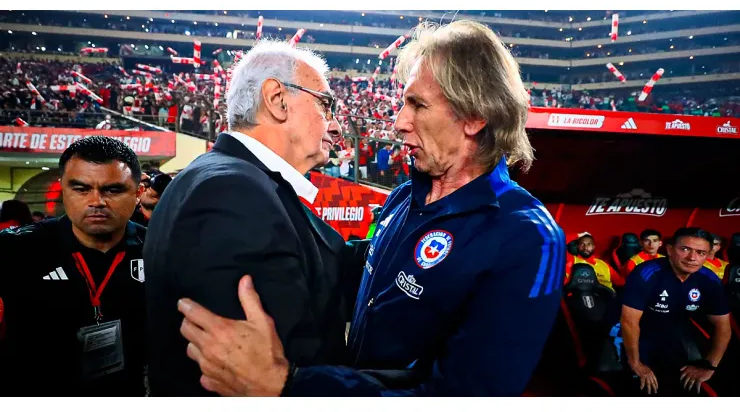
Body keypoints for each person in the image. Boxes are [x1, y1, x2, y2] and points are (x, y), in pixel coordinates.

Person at [177, 20, 565, 396]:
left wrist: (289, 387)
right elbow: (358, 278)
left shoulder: (527, 235)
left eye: (417, 104)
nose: (399, 122)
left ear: (474, 116)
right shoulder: (403, 196)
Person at [143, 40, 350, 396]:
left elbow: (329, 261)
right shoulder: (231, 191)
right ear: (277, 99)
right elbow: (273, 366)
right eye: (325, 105)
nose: (334, 126)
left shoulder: (237, 180)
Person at [0, 136, 148, 396]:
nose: (96, 201)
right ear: (63, 189)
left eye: (112, 190)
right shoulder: (15, 251)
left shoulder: (159, 249)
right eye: (81, 188)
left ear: (138, 193)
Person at [621, 228, 731, 396]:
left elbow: (722, 326)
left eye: (701, 252)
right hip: (635, 328)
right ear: (670, 249)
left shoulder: (709, 279)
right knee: (642, 384)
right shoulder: (647, 273)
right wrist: (636, 364)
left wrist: (710, 366)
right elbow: (629, 322)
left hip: (674, 328)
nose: (692, 258)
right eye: (685, 249)